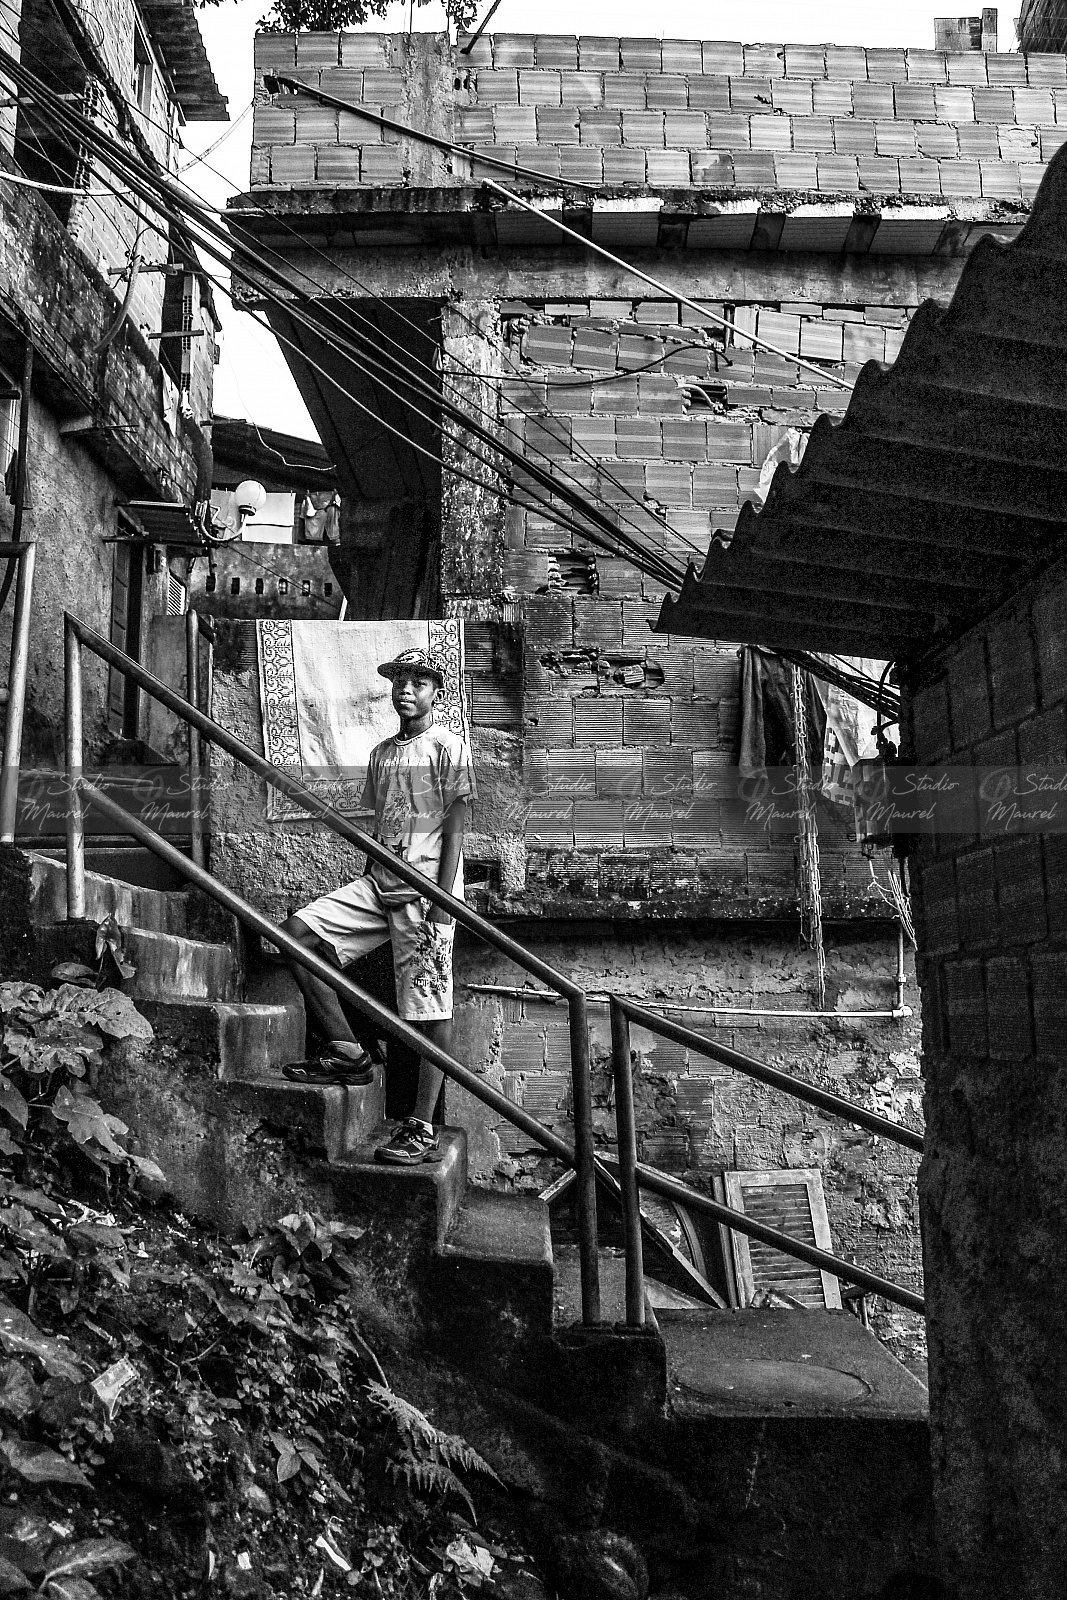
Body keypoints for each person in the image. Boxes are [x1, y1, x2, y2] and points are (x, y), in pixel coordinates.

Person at [279, 646, 475, 1167]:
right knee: (293, 935)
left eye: (418, 683)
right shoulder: (382, 753)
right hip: (380, 881)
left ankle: (421, 1126)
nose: (406, 690)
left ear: (436, 693)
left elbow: (455, 826)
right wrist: (369, 877)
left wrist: (442, 902)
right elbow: (382, 823)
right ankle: (348, 1051)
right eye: (399, 682)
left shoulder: (448, 746)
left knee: (429, 1009)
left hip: (427, 891)